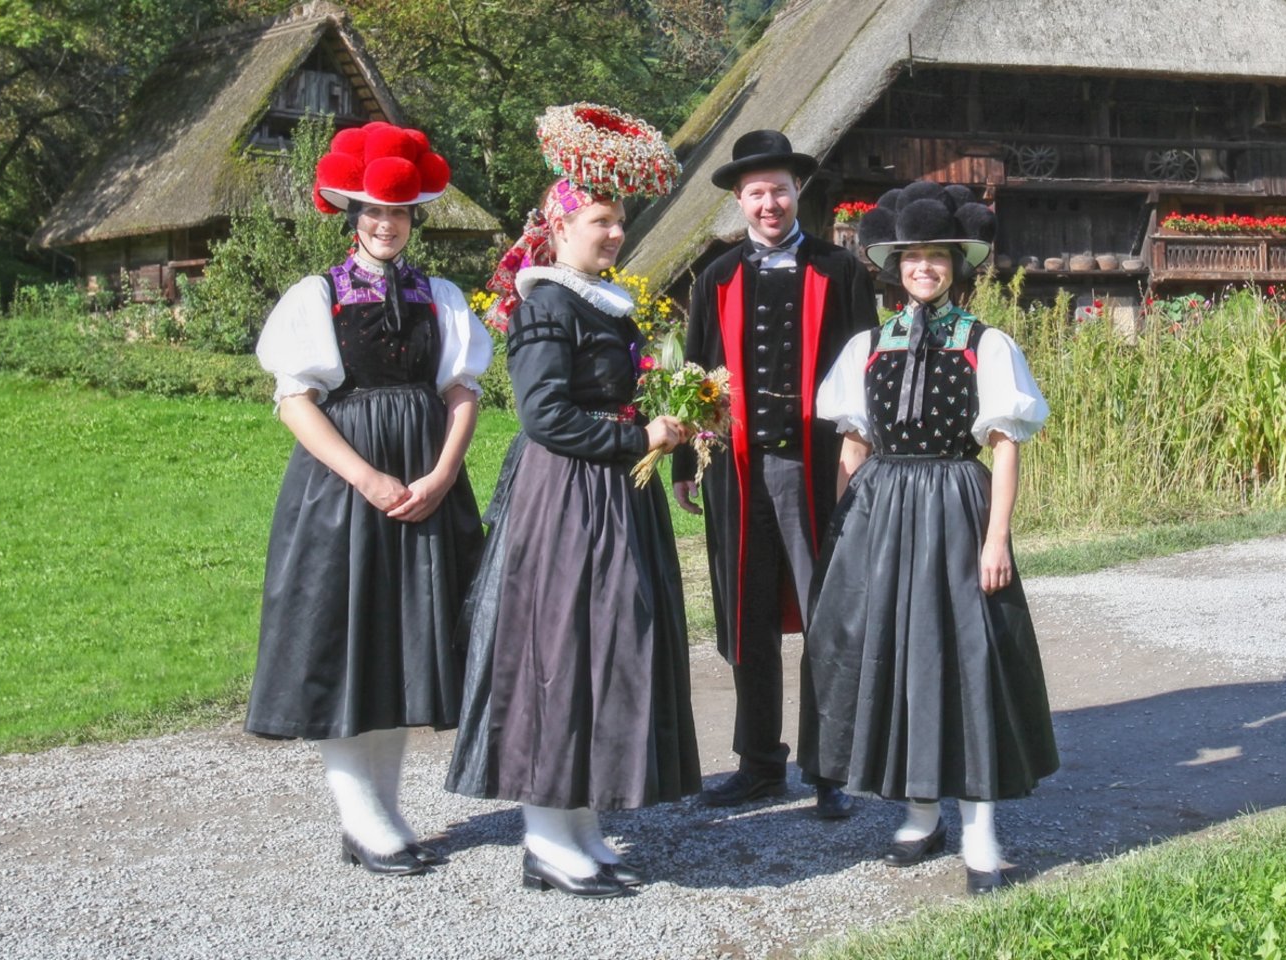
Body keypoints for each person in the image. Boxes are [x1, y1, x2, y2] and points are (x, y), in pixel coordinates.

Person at [447, 104, 697, 899]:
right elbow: (544, 416)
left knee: (605, 650)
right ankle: (548, 840)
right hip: (566, 499)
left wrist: (671, 425)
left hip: (611, 496)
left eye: (619, 221)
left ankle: (581, 826)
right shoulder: (546, 304)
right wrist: (637, 436)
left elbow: (614, 396)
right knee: (560, 655)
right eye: (600, 221)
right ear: (559, 228)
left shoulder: (599, 299)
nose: (615, 233)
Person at [247, 121, 490, 876]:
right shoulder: (315, 296)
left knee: (404, 646)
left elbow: (462, 390)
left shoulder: (440, 297)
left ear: (415, 218)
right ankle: (362, 818)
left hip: (427, 484)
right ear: (353, 216)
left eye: (399, 213)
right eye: (374, 213)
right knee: (350, 641)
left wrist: (442, 474)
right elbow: (295, 401)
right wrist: (366, 477)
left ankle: (383, 815)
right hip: (345, 491)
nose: (387, 225)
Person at [808, 180, 1059, 896]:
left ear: (955, 266)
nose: (924, 268)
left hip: (955, 505)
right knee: (896, 654)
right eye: (912, 258)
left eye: (938, 257)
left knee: (966, 657)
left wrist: (996, 539)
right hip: (882, 511)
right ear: (895, 267)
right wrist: (844, 529)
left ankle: (980, 832)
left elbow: (1005, 446)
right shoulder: (867, 345)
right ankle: (921, 814)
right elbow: (853, 444)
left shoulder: (987, 343)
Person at [673, 130, 877, 818]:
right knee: (746, 617)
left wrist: (863, 460)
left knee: (827, 615)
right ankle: (759, 764)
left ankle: (830, 769)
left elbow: (867, 374)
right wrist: (685, 464)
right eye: (757, 193)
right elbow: (695, 373)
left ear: (798, 193)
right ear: (739, 199)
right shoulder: (716, 277)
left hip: (817, 469)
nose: (770, 203)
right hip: (735, 472)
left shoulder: (840, 271)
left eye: (780, 191)